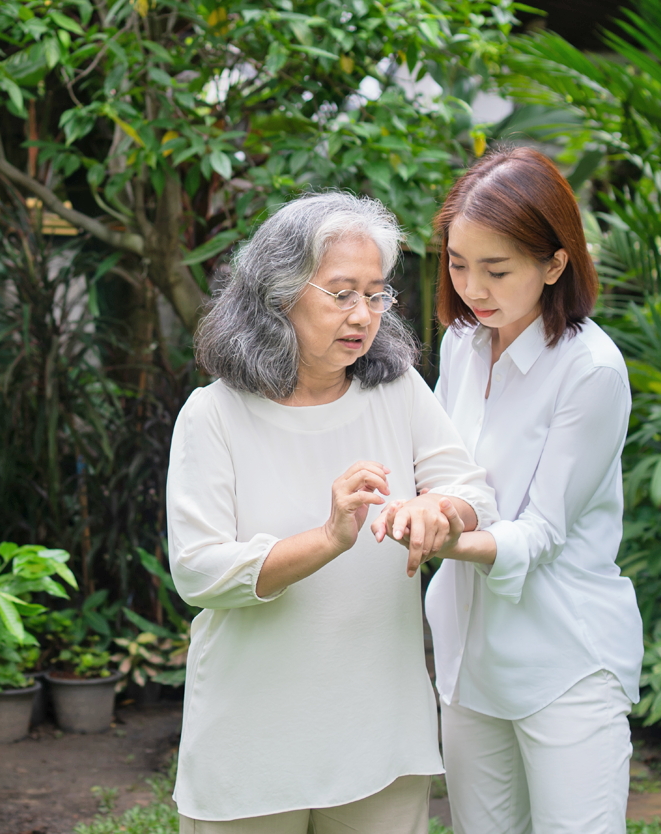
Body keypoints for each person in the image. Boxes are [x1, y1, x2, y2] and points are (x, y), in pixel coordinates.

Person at [167, 191, 500, 833]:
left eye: (377, 295)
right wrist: (327, 537)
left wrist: (440, 509)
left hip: (380, 729)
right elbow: (199, 572)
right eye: (342, 293)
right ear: (279, 294)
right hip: (251, 737)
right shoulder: (214, 415)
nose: (363, 315)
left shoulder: (397, 389)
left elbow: (471, 491)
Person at [377, 147, 643, 833]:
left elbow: (540, 533)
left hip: (565, 658)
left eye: (496, 270)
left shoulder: (589, 371)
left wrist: (441, 533)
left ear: (554, 264)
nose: (472, 288)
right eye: (458, 265)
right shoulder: (465, 344)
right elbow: (437, 469)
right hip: (467, 655)